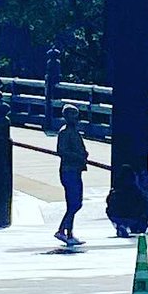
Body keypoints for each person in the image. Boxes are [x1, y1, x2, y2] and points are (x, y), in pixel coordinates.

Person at [55, 104, 87, 246]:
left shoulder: (74, 131)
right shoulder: (65, 132)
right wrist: (78, 156)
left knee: (73, 203)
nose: (76, 118)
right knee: (75, 203)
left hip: (75, 170)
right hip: (69, 170)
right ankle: (62, 230)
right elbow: (61, 151)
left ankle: (69, 233)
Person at [106, 164, 148, 237]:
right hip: (132, 215)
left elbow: (109, 200)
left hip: (116, 215)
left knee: (117, 214)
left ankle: (121, 225)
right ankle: (126, 226)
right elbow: (142, 201)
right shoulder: (135, 189)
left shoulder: (116, 188)